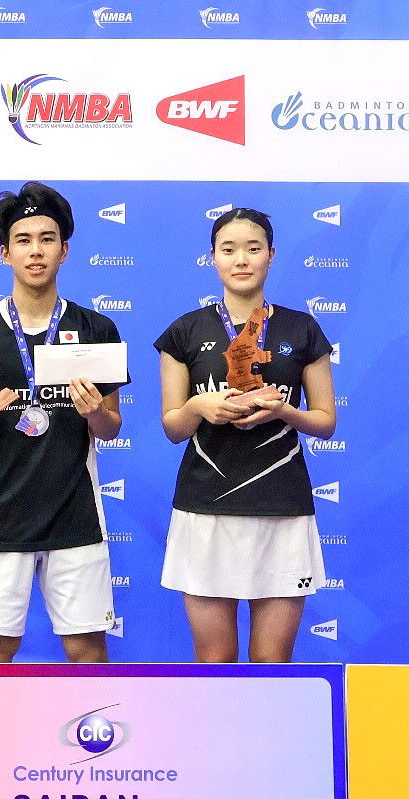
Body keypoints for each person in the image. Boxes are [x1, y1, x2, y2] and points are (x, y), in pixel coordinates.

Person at [0, 181, 126, 664]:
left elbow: (111, 427)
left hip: (75, 513)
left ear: (64, 249)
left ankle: (94, 737)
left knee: (86, 649)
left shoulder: (95, 329)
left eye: (47, 239)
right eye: (23, 240)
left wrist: (94, 411)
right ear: (5, 253)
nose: (35, 251)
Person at [155, 207, 337, 663]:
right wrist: (200, 406)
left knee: (272, 664)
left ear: (271, 256)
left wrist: (285, 411)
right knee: (214, 660)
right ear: (212, 259)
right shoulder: (185, 331)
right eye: (228, 249)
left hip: (281, 508)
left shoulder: (302, 328)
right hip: (206, 510)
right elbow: (174, 427)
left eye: (253, 249)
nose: (241, 259)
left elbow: (326, 421)